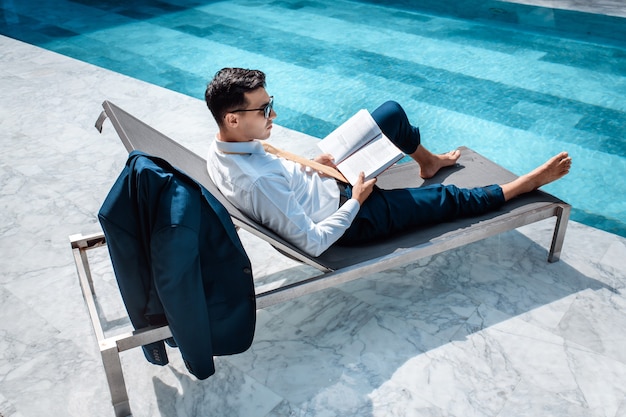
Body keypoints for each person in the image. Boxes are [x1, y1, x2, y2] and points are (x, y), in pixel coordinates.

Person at [205, 68, 572, 257]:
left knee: (391, 115)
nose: (274, 113)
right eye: (264, 108)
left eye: (271, 103)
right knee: (447, 201)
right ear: (233, 118)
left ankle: (428, 163)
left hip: (329, 178)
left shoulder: (222, 148)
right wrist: (357, 200)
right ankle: (521, 185)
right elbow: (313, 242)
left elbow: (281, 181)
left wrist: (313, 164)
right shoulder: (257, 181)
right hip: (354, 219)